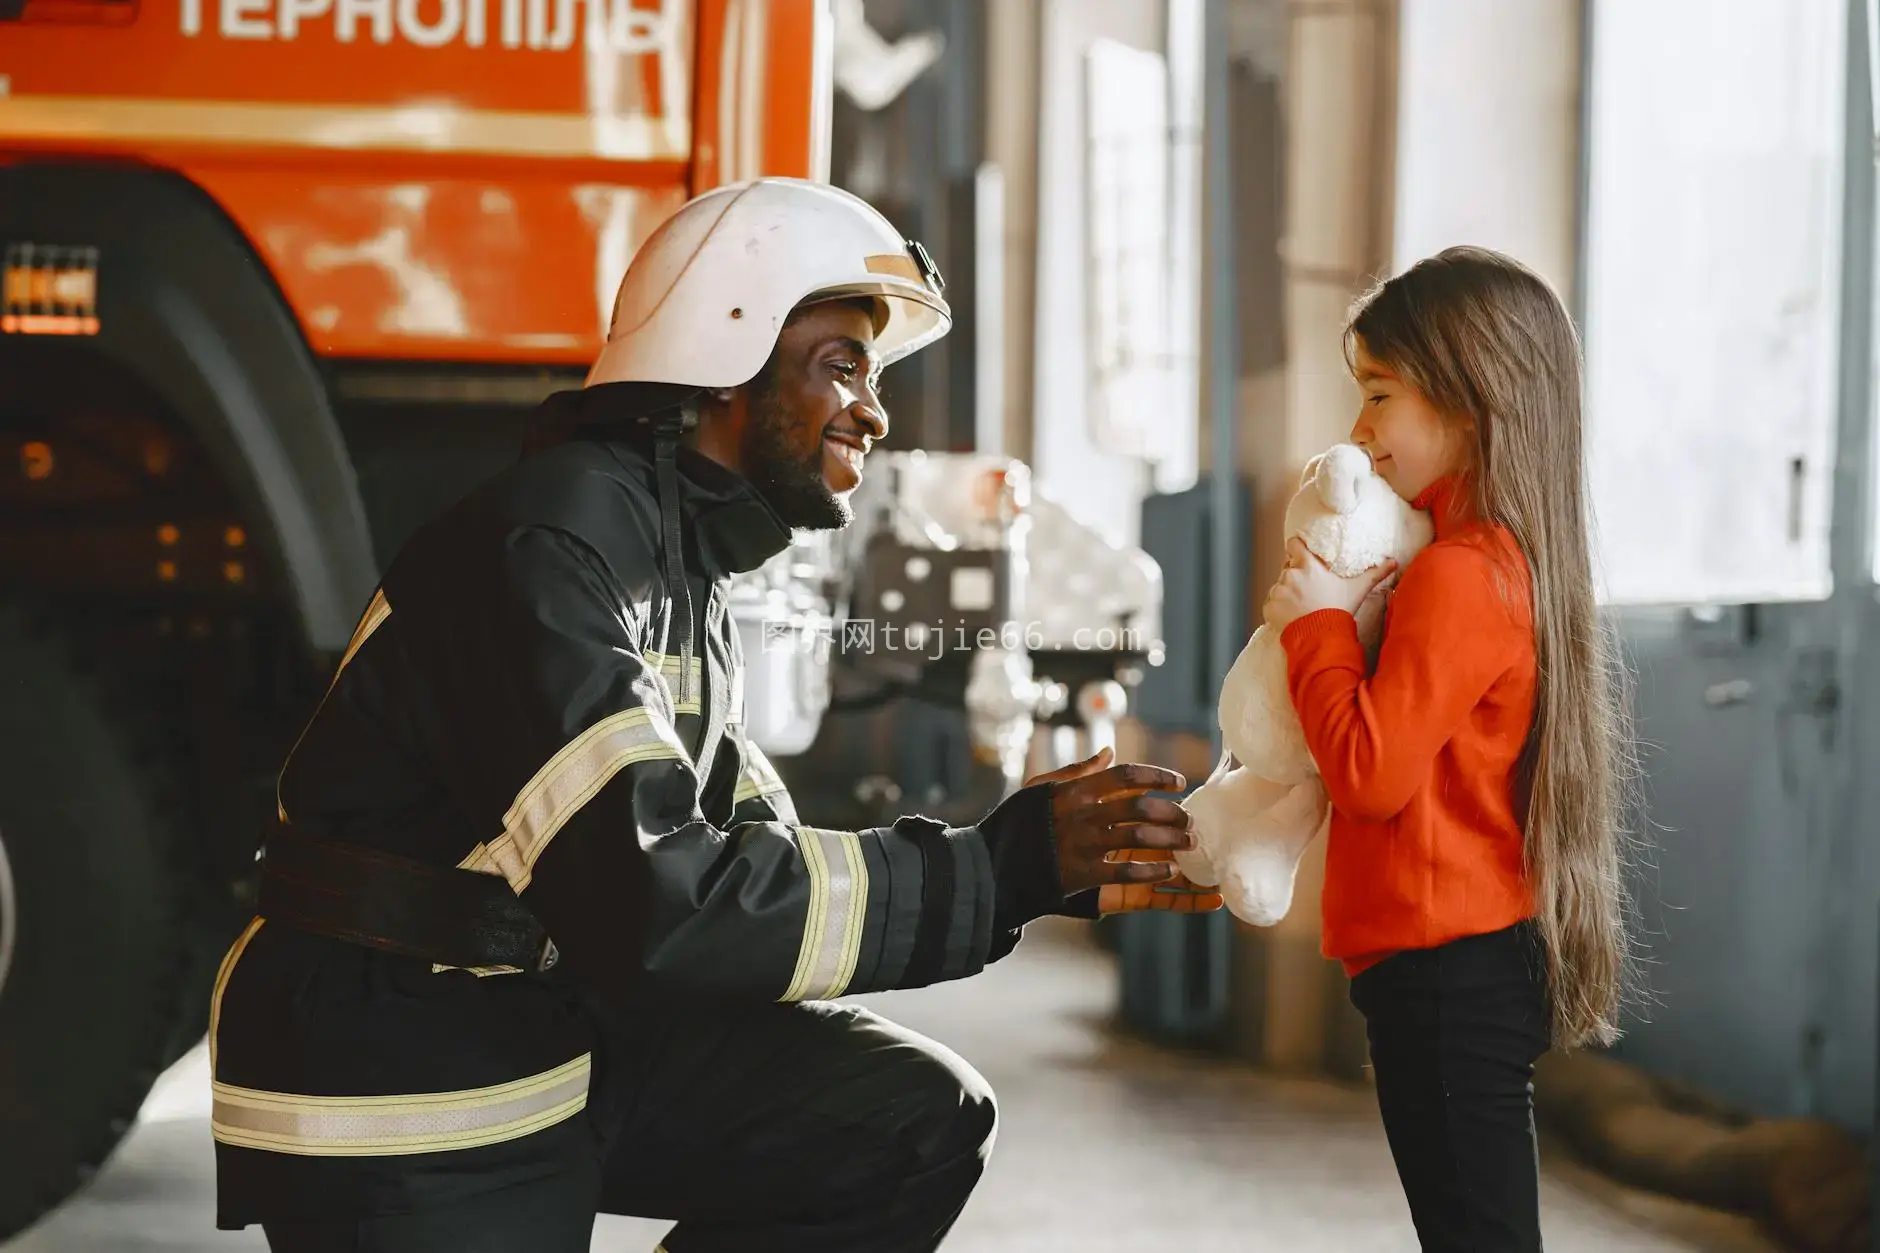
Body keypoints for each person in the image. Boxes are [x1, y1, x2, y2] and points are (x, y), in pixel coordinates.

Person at [209, 177, 1221, 1253]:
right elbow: (657, 902)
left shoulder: (669, 562)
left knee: (904, 1121)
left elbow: (750, 861)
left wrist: (1033, 871)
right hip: (401, 1063)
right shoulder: (544, 553)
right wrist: (990, 868)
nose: (873, 411)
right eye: (841, 365)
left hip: (531, 1019)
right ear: (720, 354)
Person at [1261, 245, 1634, 1252]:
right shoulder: (1482, 560)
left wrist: (1319, 627)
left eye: (1378, 395)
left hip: (1444, 964)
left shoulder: (1462, 573)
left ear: (1470, 403)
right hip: (1450, 958)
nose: (1359, 432)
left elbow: (1369, 773)